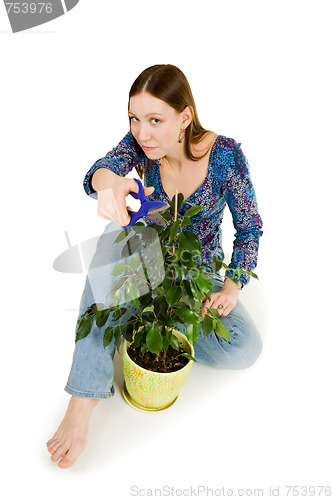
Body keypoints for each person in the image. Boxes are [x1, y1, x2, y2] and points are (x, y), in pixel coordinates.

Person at [46, 64, 263, 468]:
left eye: (155, 120)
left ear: (185, 117)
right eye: (134, 118)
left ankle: (142, 319)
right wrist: (108, 183)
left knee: (244, 347)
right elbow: (98, 171)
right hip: (144, 260)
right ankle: (83, 398)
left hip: (197, 274)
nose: (143, 132)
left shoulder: (226, 156)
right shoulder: (140, 145)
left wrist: (231, 285)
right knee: (115, 238)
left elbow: (250, 227)